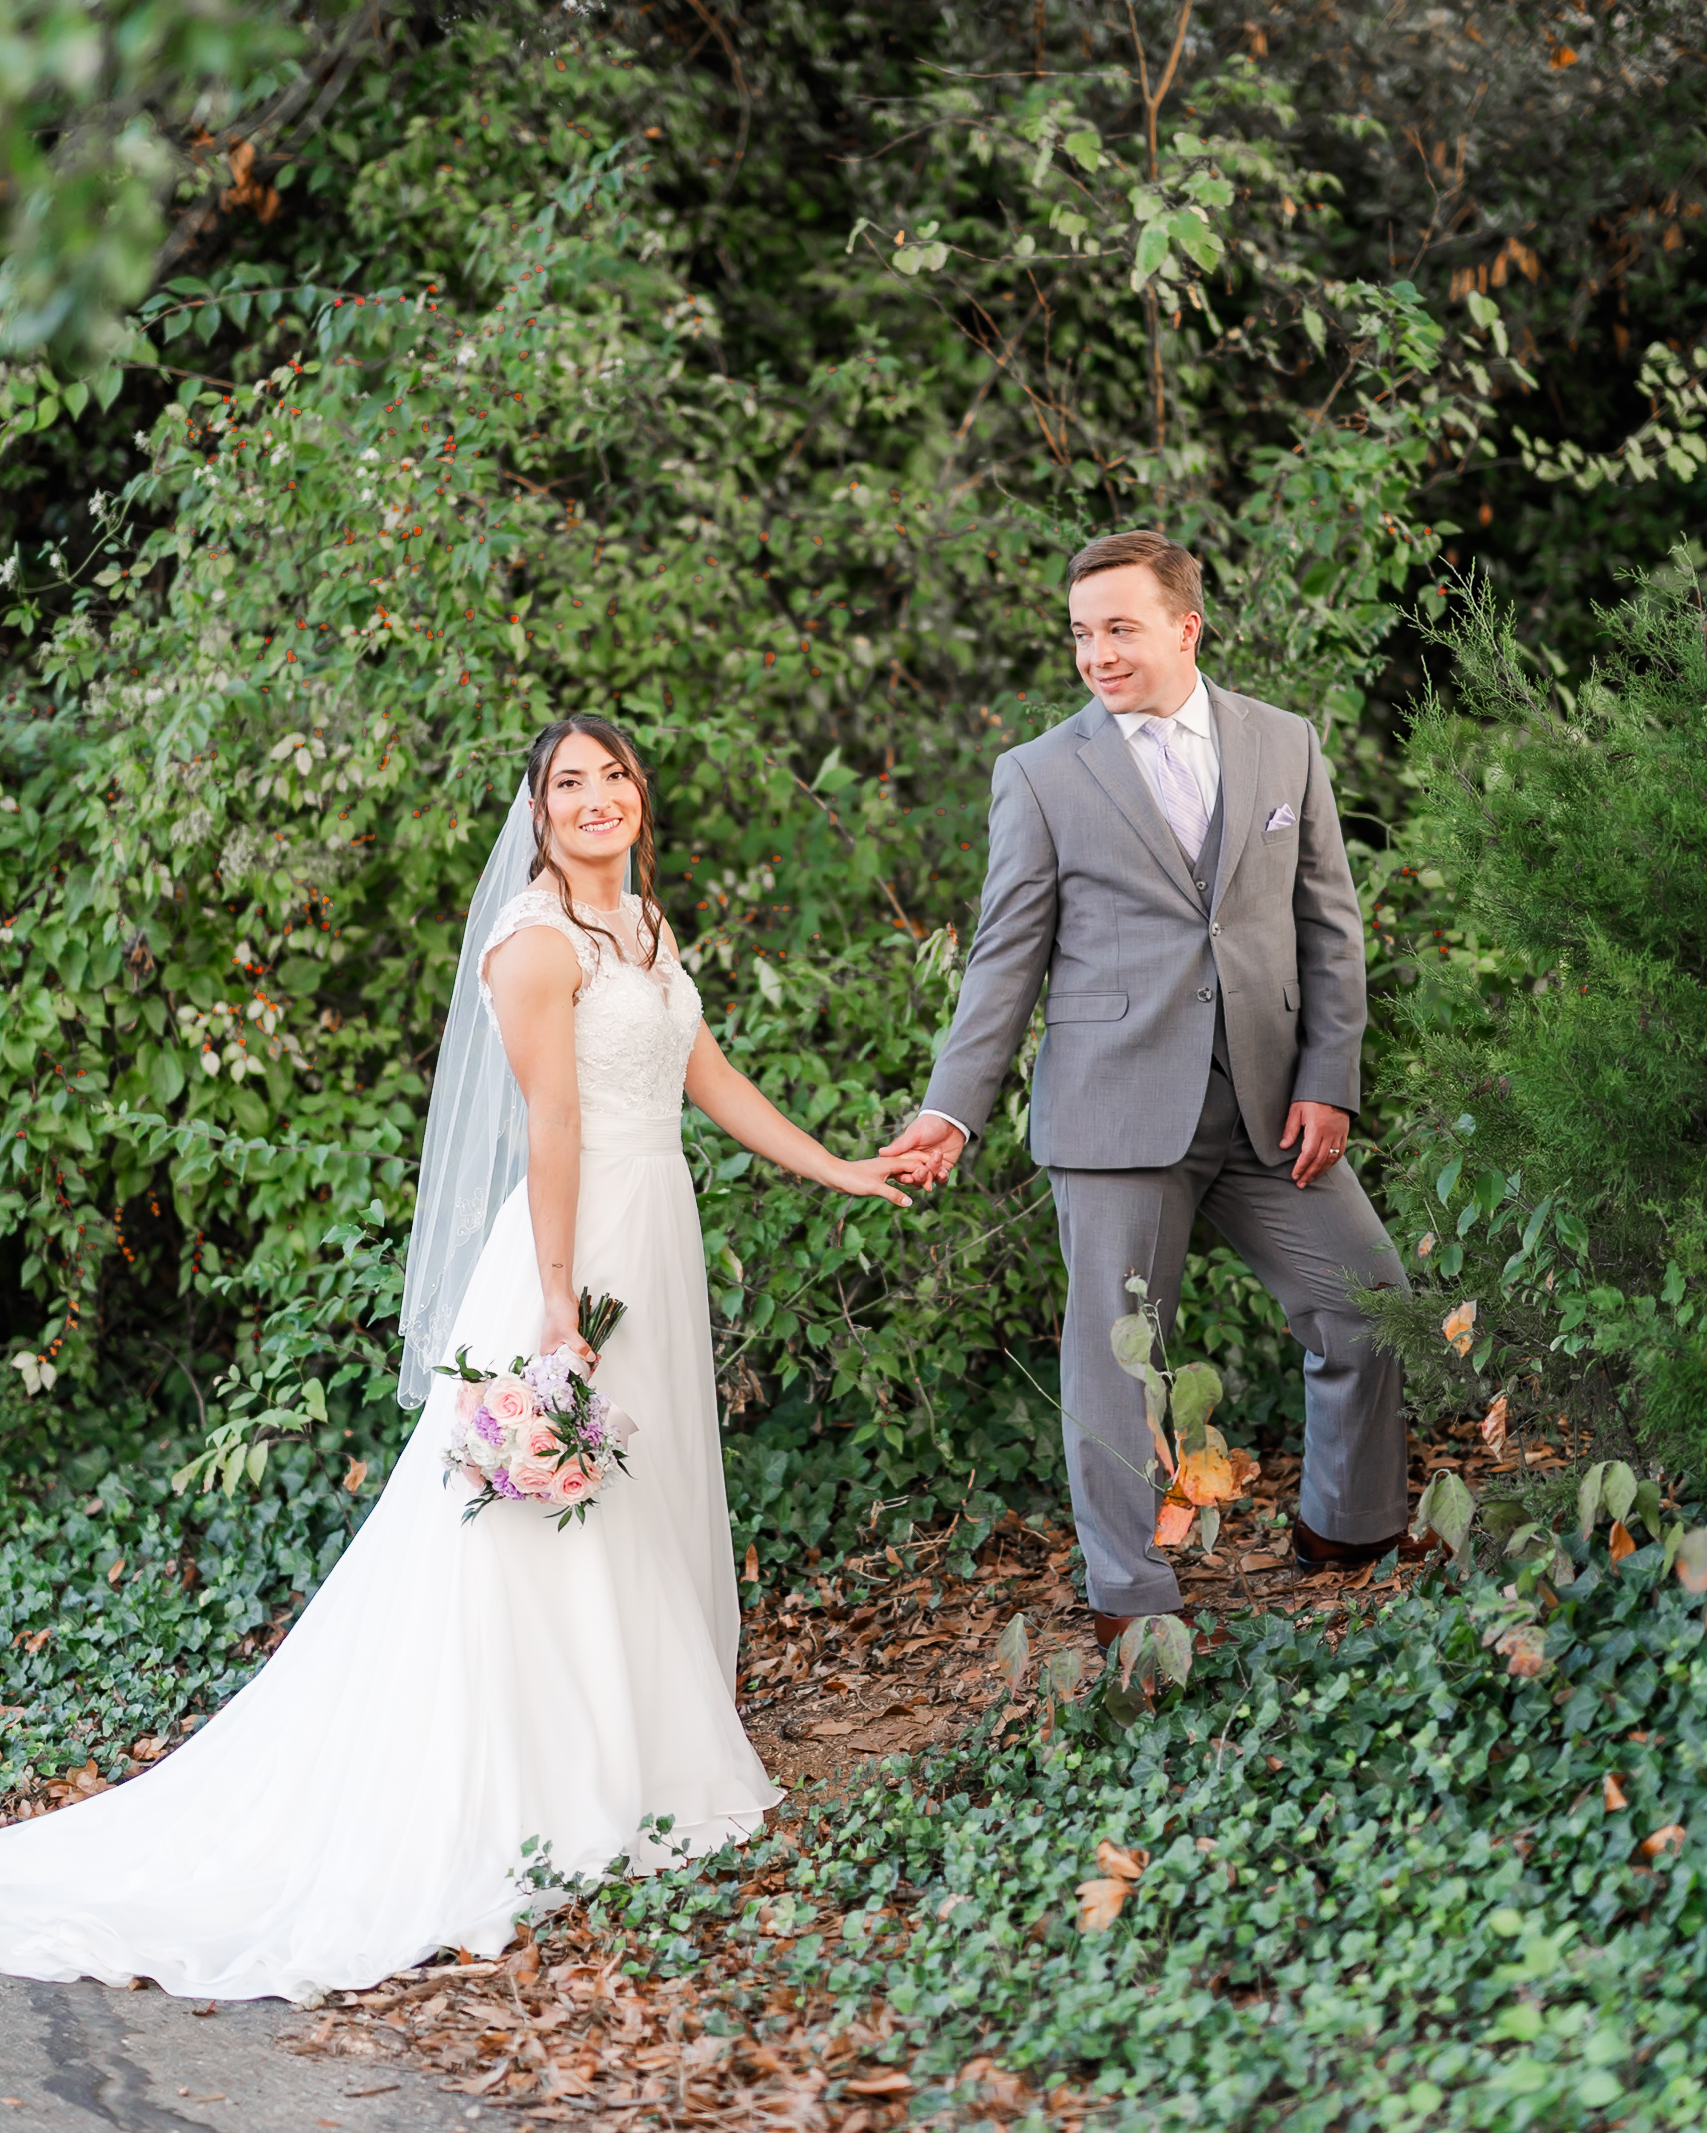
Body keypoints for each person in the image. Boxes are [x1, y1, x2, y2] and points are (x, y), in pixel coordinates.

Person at [0, 713, 924, 2001]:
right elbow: (554, 1123)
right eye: (569, 783)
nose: (597, 797)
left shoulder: (644, 929)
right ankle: (546, 1788)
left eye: (614, 776)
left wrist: (838, 1166)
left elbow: (705, 1076)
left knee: (639, 1503)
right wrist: (556, 1302)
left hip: (654, 1236)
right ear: (538, 813)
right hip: (574, 1253)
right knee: (542, 1528)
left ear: (639, 797)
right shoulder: (535, 944)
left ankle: (640, 1761)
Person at [883, 529, 1417, 1650]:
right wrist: (950, 1108)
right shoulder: (1040, 773)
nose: (1097, 655)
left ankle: (1348, 1531)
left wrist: (1330, 1079)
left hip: (1272, 1104)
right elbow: (1004, 958)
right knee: (1118, 1362)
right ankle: (1130, 1594)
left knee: (1369, 1301)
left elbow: (1329, 924)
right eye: (1081, 634)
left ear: (1186, 626)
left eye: (1120, 629)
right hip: (1116, 1109)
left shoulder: (1283, 742)